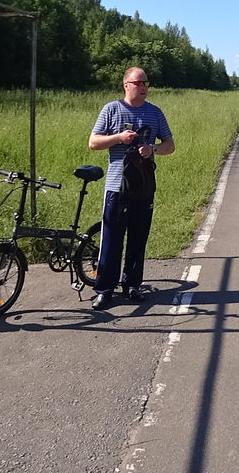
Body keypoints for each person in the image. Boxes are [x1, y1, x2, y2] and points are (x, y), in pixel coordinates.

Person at [87, 67, 175, 310]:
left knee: (138, 239)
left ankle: (132, 285)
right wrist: (118, 138)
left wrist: (152, 149)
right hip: (117, 187)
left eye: (146, 82)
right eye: (139, 82)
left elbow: (170, 145)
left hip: (144, 186)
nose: (144, 86)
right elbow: (93, 142)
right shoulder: (111, 109)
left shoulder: (155, 113)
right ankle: (104, 289)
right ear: (126, 85)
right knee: (111, 241)